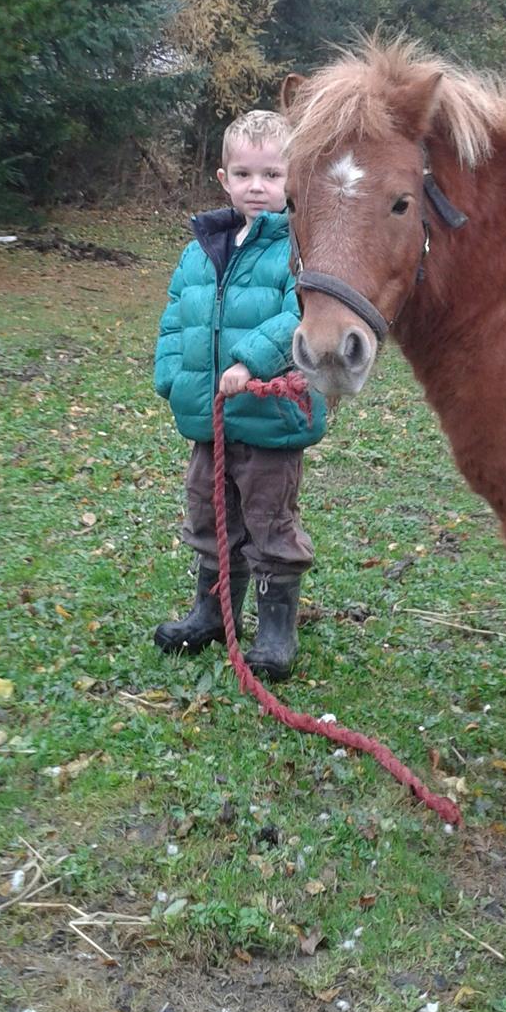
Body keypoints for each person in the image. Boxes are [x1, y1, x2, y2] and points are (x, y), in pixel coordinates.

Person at [152, 110, 325, 681]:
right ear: (223, 177)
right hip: (210, 417)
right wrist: (170, 375)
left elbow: (299, 313)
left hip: (270, 416)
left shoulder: (301, 248)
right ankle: (212, 611)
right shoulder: (201, 248)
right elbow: (177, 316)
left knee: (269, 519)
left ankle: (276, 628)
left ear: (292, 179)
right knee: (210, 513)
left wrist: (251, 359)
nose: (258, 186)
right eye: (245, 173)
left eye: (272, 175)